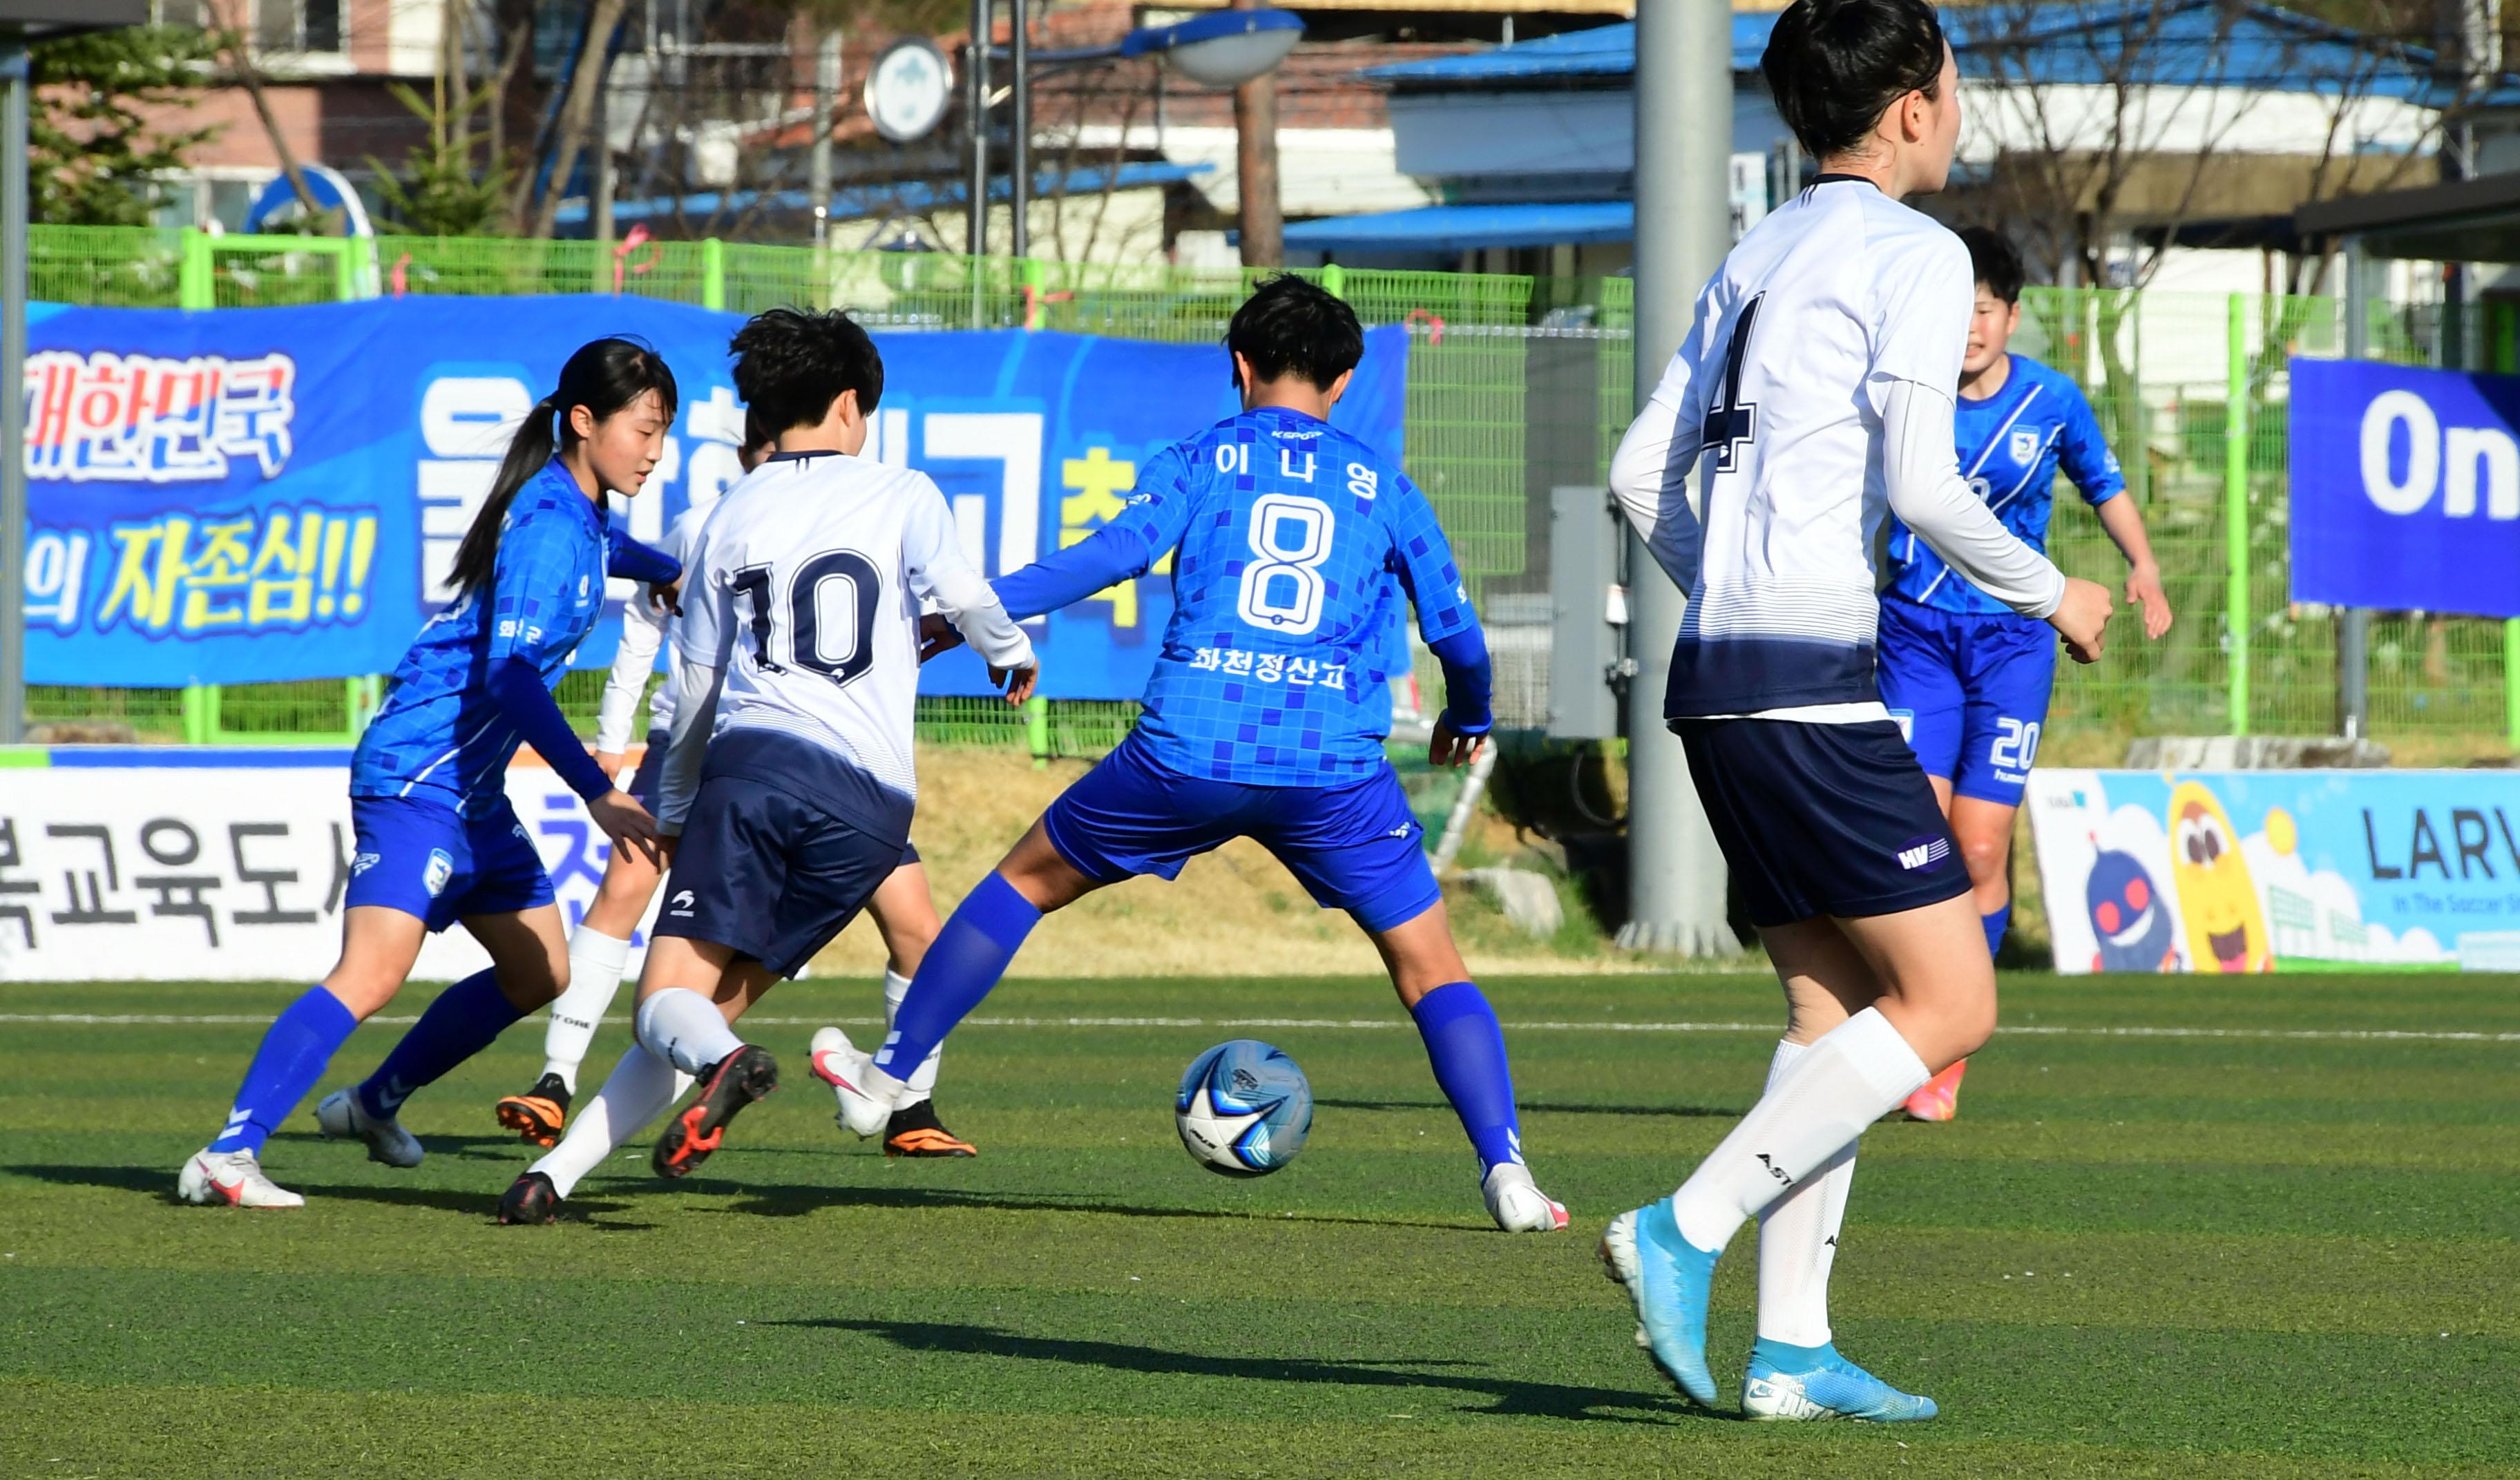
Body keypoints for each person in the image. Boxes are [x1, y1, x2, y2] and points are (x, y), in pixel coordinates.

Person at [1601, 0, 2114, 1418]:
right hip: (1816, 687)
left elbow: (1640, 478)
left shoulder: (1756, 249)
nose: (1961, 112)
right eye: (1954, 88)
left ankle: (1793, 1350)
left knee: (1832, 1008)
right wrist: (2052, 594)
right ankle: (1680, 1227)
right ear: (1909, 108)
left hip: (1715, 678)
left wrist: (1738, 585)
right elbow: (1925, 487)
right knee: (1954, 1001)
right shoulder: (1918, 253)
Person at [813, 274, 1572, 1236]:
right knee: (1432, 970)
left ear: (1241, 367)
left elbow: (1109, 556)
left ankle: (888, 1079)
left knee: (1022, 884)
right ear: (1342, 382)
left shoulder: (1202, 458)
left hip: (1191, 747)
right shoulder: (1385, 486)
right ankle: (1505, 1170)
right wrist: (1470, 713)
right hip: (1330, 769)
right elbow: (1460, 637)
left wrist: (972, 615)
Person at [497, 308, 1034, 1224]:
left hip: (757, 778)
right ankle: (559, 1176)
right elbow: (968, 597)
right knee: (701, 1011)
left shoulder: (728, 516)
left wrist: (670, 808)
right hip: (872, 814)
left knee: (666, 1003)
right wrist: (1009, 653)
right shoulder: (904, 493)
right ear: (850, 406)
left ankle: (724, 1069)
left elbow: (696, 688)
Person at [178, 338, 682, 1208]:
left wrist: (670, 569)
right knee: (372, 973)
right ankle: (229, 1151)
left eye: (664, 431)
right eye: (644, 428)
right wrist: (597, 789)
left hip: (472, 794)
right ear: (585, 422)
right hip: (418, 774)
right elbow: (509, 676)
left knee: (541, 973)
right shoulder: (553, 525)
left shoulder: (581, 512)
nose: (655, 449)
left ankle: (375, 1102)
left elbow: (611, 550)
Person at [1878, 227, 2174, 1122]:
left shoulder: (2053, 400)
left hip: (2012, 643)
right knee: (1911, 843)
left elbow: (2104, 483)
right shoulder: (1906, 395)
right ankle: (1901, 1020)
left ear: (2009, 315)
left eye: (1985, 310)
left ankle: (1948, 1052)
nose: (1969, 327)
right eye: (1957, 309)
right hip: (1915, 636)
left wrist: (2145, 566)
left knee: (1977, 852)